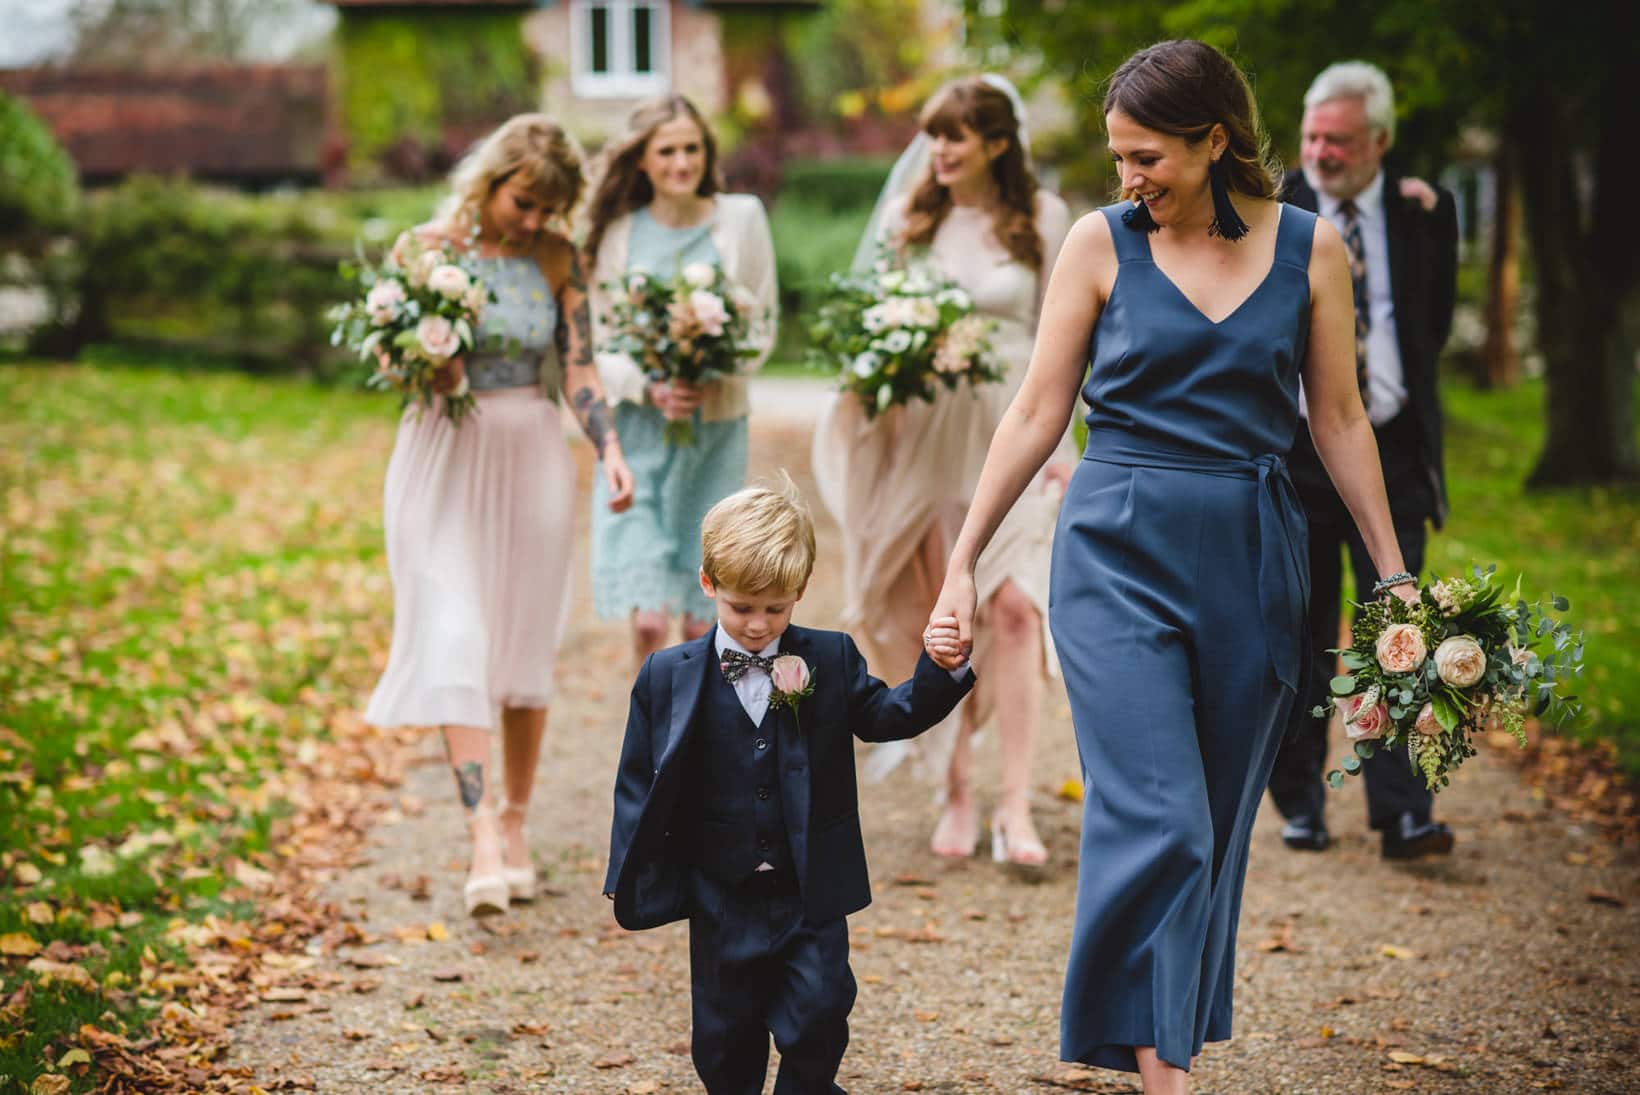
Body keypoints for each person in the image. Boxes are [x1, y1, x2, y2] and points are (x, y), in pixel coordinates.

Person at [926, 40, 1419, 1090]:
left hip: (1251, 554)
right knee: (1161, 816)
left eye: (1145, 156)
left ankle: (1158, 1041)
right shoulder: (1097, 244)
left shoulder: (1307, 249)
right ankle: (1166, 1076)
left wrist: (1389, 573)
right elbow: (1033, 409)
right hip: (1113, 551)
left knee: (1216, 826)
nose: (1127, 177)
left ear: (1214, 140)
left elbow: (1334, 420)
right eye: (1117, 156)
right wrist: (962, 559)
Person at [602, 477, 974, 1094]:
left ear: (799, 591)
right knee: (724, 1042)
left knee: (821, 1016)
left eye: (775, 609)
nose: (756, 625)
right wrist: (636, 876)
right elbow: (638, 780)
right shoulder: (667, 675)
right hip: (720, 895)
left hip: (809, 890)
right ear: (708, 584)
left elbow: (888, 716)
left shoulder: (829, 660)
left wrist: (941, 669)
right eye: (742, 608)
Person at [364, 114, 636, 918]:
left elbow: (579, 366)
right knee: (454, 630)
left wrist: (610, 447)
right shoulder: (424, 251)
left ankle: (516, 819)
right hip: (443, 455)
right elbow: (390, 355)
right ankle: (480, 825)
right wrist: (426, 363)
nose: (531, 220)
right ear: (490, 181)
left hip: (531, 453)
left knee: (522, 644)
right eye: (522, 202)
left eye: (548, 208)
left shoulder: (558, 257)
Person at [811, 75, 1072, 872]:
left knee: (1022, 611)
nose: (940, 152)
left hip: (1017, 431)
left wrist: (1067, 445)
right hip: (926, 436)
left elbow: (1068, 338)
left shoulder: (1046, 220)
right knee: (942, 618)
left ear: (997, 142)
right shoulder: (906, 220)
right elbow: (870, 328)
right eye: (934, 136)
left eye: (955, 135)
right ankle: (954, 784)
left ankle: (1016, 801)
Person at [1266, 61, 1460, 859]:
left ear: (1379, 141)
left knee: (1397, 627)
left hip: (1397, 447)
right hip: (1298, 453)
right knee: (1303, 632)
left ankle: (1403, 811)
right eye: (1313, 136)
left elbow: (1432, 326)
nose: (1322, 151)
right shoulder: (1276, 214)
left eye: (1340, 139)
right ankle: (1301, 800)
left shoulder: (1427, 212)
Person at [584, 94, 779, 669]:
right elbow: (599, 341)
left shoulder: (741, 218)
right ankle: (652, 743)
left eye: (692, 148)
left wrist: (714, 367)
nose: (681, 162)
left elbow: (762, 318)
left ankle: (700, 745)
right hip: (639, 436)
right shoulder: (618, 233)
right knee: (648, 618)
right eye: (666, 151)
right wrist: (649, 388)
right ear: (641, 160)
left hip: (714, 432)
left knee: (701, 615)